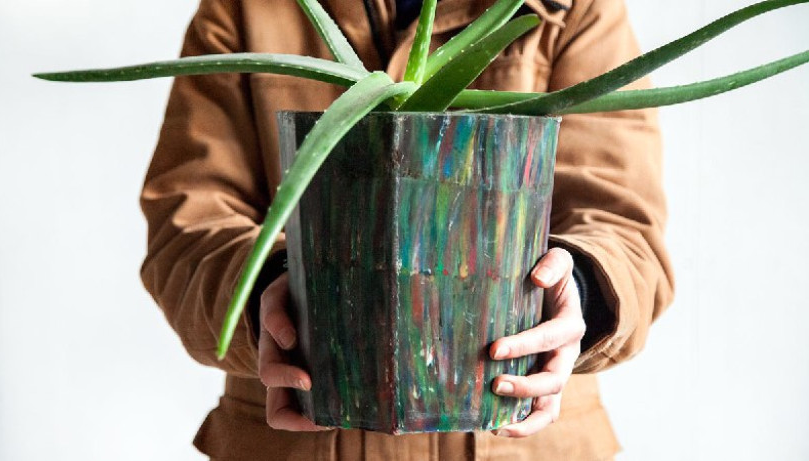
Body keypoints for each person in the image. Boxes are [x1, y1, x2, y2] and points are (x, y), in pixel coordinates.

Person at [139, 0, 674, 459]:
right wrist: (273, 288)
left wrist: (576, 292)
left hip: (520, 442)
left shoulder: (572, 6)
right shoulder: (243, 8)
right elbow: (186, 225)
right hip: (299, 439)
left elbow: (625, 227)